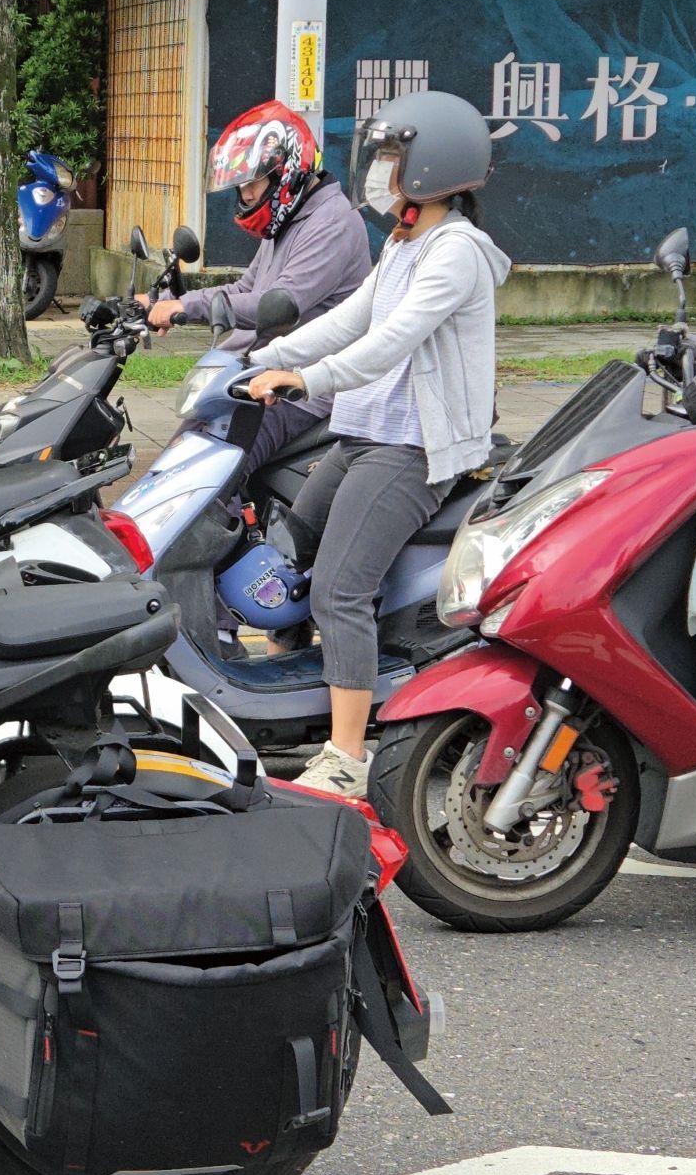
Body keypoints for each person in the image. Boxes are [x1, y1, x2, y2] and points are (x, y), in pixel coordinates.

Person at [237, 91, 512, 799]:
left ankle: (347, 753)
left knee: (339, 588)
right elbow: (350, 320)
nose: (380, 171)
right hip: (363, 432)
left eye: (392, 157)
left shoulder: (456, 254)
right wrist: (259, 359)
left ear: (431, 167)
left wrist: (305, 379)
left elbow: (389, 342)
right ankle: (290, 702)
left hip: (412, 448)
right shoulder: (403, 240)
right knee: (290, 551)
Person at [149, 100, 371, 473]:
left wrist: (191, 308)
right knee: (179, 462)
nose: (246, 195)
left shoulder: (332, 223)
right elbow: (245, 288)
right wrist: (174, 301)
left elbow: (278, 303)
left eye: (252, 183)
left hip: (302, 390)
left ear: (287, 173)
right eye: (241, 186)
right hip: (256, 374)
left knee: (211, 474)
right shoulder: (289, 220)